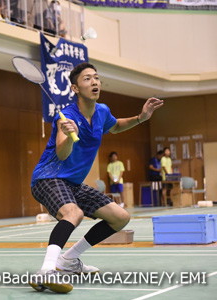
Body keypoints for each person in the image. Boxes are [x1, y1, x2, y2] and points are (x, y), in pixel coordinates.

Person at [29, 62, 163, 293]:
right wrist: (71, 136)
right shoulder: (67, 117)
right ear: (75, 88)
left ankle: (68, 260)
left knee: (120, 217)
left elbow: (116, 126)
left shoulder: (102, 111)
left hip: (73, 184)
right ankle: (47, 269)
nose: (94, 82)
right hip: (48, 177)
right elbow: (61, 153)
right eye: (87, 79)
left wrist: (141, 117)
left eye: (96, 78)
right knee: (74, 213)